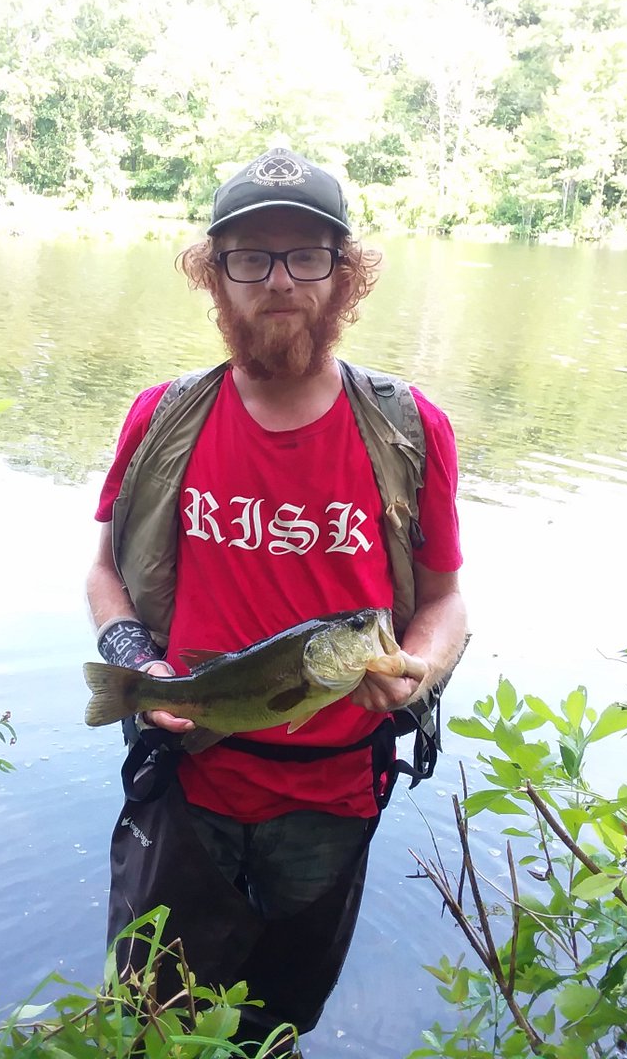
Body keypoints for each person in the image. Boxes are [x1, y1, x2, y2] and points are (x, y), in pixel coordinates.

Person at [86, 146, 467, 1050]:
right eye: (250, 257)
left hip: (333, 801)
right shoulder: (163, 417)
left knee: (273, 1026)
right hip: (187, 783)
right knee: (149, 1023)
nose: (280, 280)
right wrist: (137, 660)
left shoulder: (408, 430)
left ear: (346, 275)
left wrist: (419, 671)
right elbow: (104, 571)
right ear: (214, 277)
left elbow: (446, 600)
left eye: (306, 255)